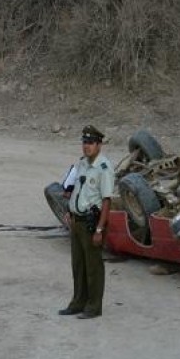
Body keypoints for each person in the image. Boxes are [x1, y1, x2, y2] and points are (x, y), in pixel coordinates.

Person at [59, 125, 114, 320]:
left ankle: (93, 307)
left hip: (92, 224)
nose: (86, 146)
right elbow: (75, 191)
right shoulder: (82, 164)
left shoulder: (104, 168)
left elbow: (107, 201)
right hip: (77, 222)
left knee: (93, 267)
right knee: (78, 265)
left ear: (99, 145)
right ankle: (77, 303)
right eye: (84, 142)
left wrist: (100, 229)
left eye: (90, 143)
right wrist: (69, 212)